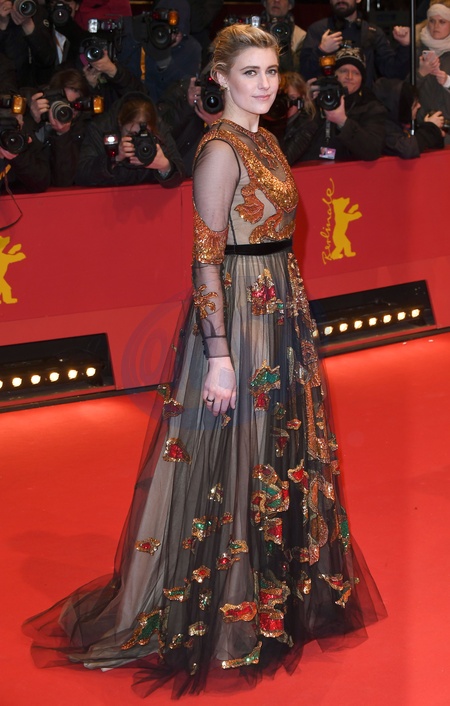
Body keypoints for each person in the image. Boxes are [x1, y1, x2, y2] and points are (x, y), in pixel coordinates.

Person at [24, 24, 385, 697]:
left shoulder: (266, 138)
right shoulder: (220, 149)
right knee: (235, 453)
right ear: (219, 78)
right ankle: (227, 611)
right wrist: (219, 356)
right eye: (250, 73)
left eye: (271, 71)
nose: (264, 84)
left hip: (278, 309)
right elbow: (206, 258)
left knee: (273, 449)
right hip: (239, 318)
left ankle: (274, 597)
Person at [282, 46, 386, 164]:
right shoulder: (316, 98)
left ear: (362, 79)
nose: (349, 77)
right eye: (343, 71)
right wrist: (306, 106)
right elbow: (286, 153)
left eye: (356, 73)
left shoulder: (371, 107)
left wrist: (343, 122)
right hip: (307, 170)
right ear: (334, 74)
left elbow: (372, 151)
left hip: (346, 173)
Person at [74, 91, 184, 187]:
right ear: (120, 123)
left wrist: (165, 166)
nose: (138, 139)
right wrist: (113, 159)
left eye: (144, 133)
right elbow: (82, 175)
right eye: (131, 134)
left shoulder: (160, 130)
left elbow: (180, 174)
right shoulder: (101, 128)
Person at [299, 0, 411, 87]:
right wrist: (321, 50)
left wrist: (405, 46)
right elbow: (304, 74)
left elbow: (394, 72)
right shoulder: (318, 30)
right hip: (327, 102)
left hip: (364, 104)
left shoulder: (372, 33)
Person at [373, 77, 445, 158]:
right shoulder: (382, 128)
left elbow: (430, 147)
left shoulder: (397, 125)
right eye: (414, 104)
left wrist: (435, 131)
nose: (419, 106)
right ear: (403, 108)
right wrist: (429, 127)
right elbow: (407, 149)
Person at [415, 0, 450, 144]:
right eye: (432, 21)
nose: (436, 26)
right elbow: (402, 93)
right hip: (423, 130)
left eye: (442, 22)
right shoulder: (415, 50)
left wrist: (448, 82)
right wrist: (420, 74)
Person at [260, 0, 306, 72]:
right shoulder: (252, 32)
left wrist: (285, 45)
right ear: (265, 3)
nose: (276, 1)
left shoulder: (300, 35)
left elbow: (298, 70)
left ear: (290, 5)